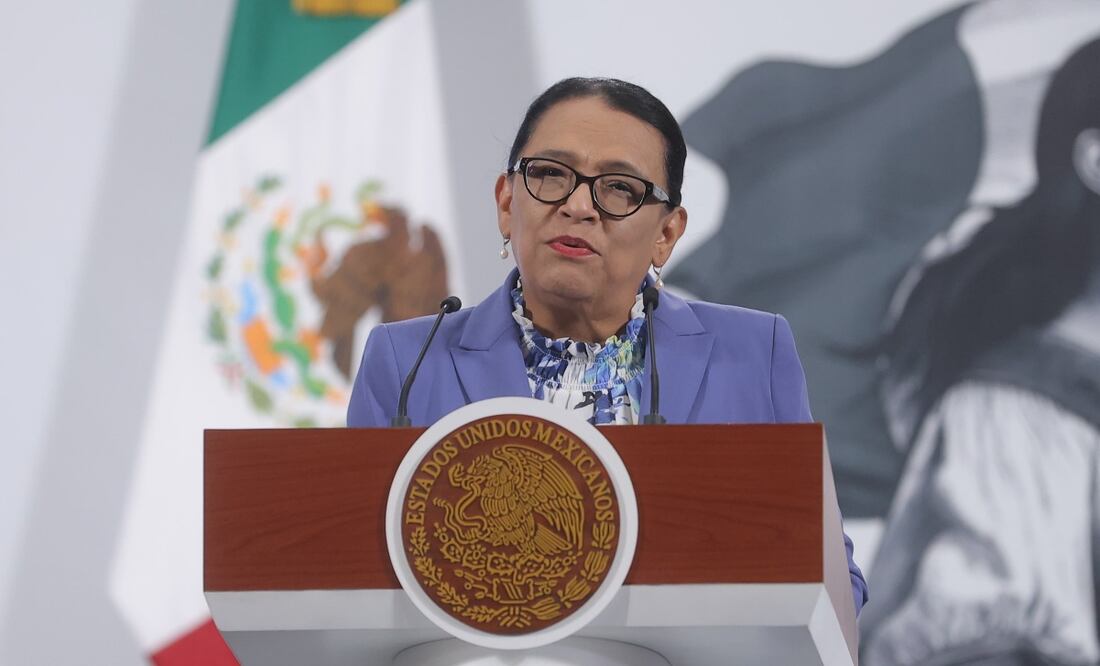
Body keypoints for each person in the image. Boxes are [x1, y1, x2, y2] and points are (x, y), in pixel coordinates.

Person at [346, 76, 868, 615]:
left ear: (666, 234)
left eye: (620, 187)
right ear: (507, 203)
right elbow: (348, 572)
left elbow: (831, 578)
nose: (578, 205)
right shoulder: (407, 362)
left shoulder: (755, 352)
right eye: (550, 174)